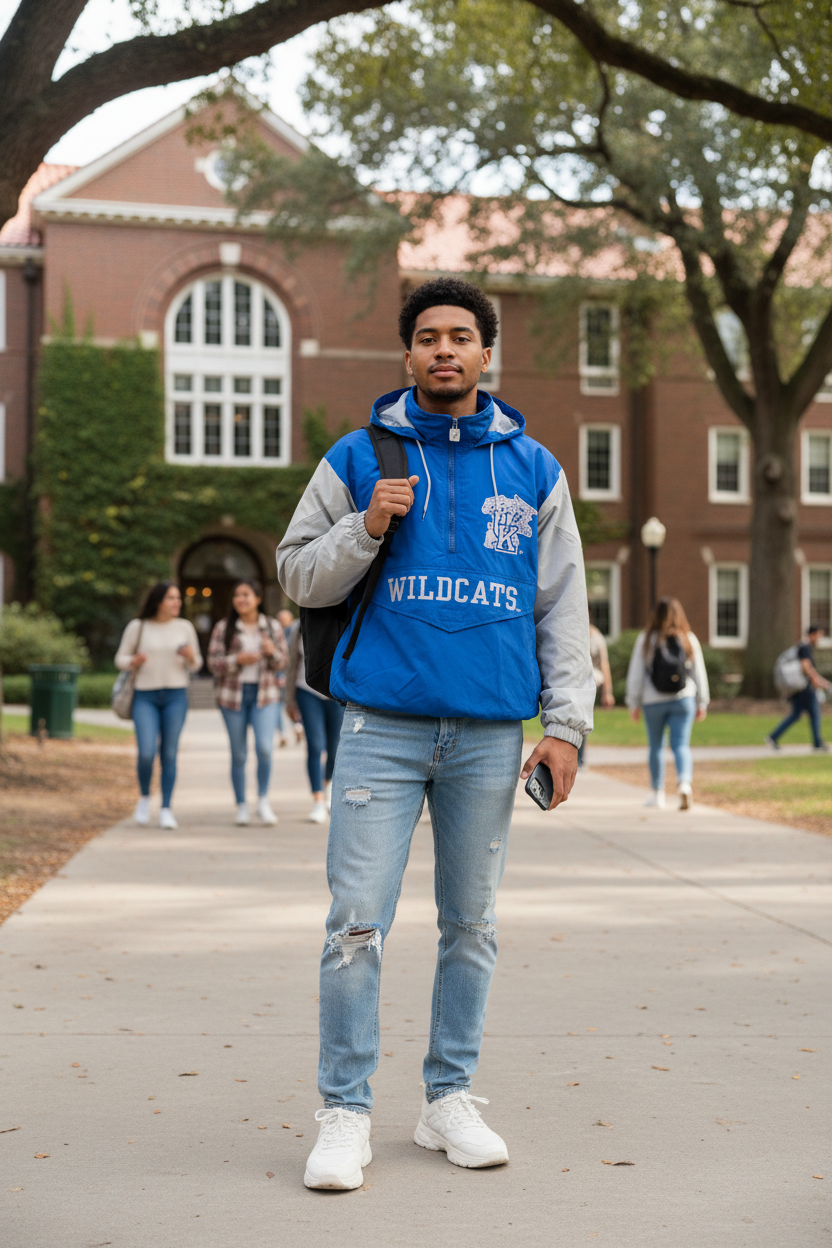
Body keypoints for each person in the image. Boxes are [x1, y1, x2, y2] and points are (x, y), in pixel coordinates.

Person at [277, 276, 593, 1190]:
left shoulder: (534, 468)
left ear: (487, 354)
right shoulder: (354, 457)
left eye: (462, 336)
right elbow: (300, 575)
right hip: (382, 725)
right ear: (407, 355)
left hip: (491, 734)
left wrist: (565, 727)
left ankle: (447, 1099)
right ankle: (344, 1112)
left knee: (472, 925)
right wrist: (366, 527)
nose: (445, 350)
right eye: (429, 337)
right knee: (356, 925)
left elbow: (561, 609)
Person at [115, 581, 202, 829]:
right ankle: (144, 799)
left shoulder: (185, 627)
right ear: (158, 601)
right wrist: (134, 660)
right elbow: (119, 659)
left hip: (176, 695)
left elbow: (197, 664)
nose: (177, 603)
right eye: (171, 598)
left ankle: (166, 808)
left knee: (170, 753)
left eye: (178, 598)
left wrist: (190, 657)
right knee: (146, 752)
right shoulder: (138, 626)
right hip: (145, 696)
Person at [207, 579, 289, 825]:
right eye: (237, 595)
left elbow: (283, 662)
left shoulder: (272, 627)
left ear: (258, 598)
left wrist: (271, 651)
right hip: (232, 697)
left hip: (265, 696)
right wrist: (237, 660)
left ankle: (263, 800)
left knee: (265, 749)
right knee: (239, 753)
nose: (240, 599)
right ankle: (241, 804)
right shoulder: (224, 628)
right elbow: (212, 663)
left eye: (246, 595)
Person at [625, 597, 709, 810]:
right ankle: (684, 785)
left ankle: (657, 793)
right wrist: (702, 702)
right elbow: (699, 672)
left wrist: (633, 702)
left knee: (656, 746)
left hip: (653, 701)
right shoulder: (688, 638)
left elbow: (636, 672)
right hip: (684, 699)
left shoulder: (647, 639)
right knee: (681, 745)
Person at [284, 619, 345, 823]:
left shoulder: (343, 617)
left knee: (335, 748)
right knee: (315, 745)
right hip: (306, 691)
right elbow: (292, 663)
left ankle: (327, 788)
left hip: (336, 693)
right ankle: (317, 800)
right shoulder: (297, 628)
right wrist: (289, 699)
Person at [767, 625, 831, 751]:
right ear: (812, 635)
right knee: (815, 713)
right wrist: (820, 682)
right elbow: (806, 667)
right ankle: (817, 743)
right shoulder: (804, 648)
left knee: (797, 714)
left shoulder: (801, 647)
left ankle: (773, 736)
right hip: (803, 688)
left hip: (798, 687)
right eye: (819, 635)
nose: (819, 639)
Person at [577, 622, 615, 767]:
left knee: (582, 720)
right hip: (575, 683)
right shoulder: (574, 631)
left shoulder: (596, 637)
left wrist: (607, 692)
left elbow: (604, 665)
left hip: (590, 684)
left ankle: (579, 758)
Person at [276, 608, 299, 747]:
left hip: (283, 675)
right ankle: (296, 726)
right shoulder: (293, 632)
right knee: (286, 704)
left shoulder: (290, 633)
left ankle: (284, 732)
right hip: (284, 675)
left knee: (281, 705)